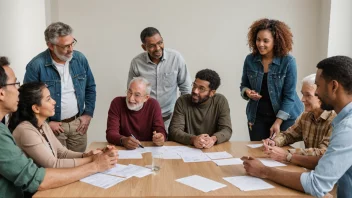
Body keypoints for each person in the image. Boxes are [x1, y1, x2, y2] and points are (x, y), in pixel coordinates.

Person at [0, 56, 117, 198]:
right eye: (15, 84)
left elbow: (61, 152)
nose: (18, 90)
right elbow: (42, 173)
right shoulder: (22, 130)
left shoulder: (42, 124)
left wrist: (88, 155)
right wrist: (94, 164)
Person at [242, 56, 352, 198]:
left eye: (318, 85)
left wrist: (264, 171)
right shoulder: (343, 122)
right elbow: (326, 159)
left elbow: (316, 185)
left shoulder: (347, 128)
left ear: (333, 86)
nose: (317, 92)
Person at [24, 22, 96, 152]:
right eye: (65, 46)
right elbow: (27, 100)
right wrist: (46, 123)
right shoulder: (36, 66)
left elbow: (90, 87)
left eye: (72, 43)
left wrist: (88, 114)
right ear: (51, 45)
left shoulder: (80, 59)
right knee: (58, 167)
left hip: (78, 125)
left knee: (80, 164)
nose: (71, 49)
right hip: (52, 127)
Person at [9, 82, 100, 168]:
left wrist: (86, 155)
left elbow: (61, 153)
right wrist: (91, 160)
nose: (54, 102)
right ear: (36, 108)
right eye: (48, 99)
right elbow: (53, 164)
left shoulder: (43, 124)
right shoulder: (25, 131)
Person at [240, 18, 304, 141]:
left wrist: (278, 122)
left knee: (278, 155)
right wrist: (248, 92)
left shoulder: (288, 62)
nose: (260, 44)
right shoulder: (250, 60)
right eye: (258, 40)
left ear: (276, 41)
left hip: (284, 117)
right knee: (257, 151)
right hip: (257, 116)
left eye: (265, 41)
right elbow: (244, 85)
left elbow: (289, 96)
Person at [262, 74, 336, 168]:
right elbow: (288, 135)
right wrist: (274, 142)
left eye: (308, 95)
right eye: (302, 94)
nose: (302, 99)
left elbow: (322, 152)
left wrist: (287, 153)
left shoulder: (335, 119)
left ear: (321, 96)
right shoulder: (306, 116)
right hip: (308, 169)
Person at [128, 27, 192, 131]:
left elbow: (186, 88)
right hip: (145, 119)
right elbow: (132, 92)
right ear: (144, 47)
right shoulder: (136, 63)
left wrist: (183, 115)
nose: (158, 48)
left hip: (171, 119)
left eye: (160, 42)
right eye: (152, 46)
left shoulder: (176, 58)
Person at [169, 69, 232, 148]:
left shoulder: (220, 101)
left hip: (211, 149)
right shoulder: (182, 101)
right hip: (186, 149)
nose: (195, 91)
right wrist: (194, 139)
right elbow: (175, 131)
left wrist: (212, 139)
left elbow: (226, 130)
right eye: (194, 85)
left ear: (212, 93)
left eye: (201, 88)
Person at [106, 77, 167, 149]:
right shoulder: (117, 103)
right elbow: (111, 133)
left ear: (146, 98)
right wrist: (123, 140)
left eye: (137, 95)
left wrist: (160, 137)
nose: (131, 98)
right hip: (124, 150)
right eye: (129, 92)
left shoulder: (153, 105)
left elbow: (160, 130)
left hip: (148, 149)